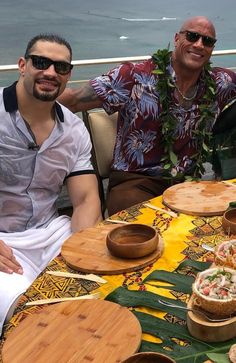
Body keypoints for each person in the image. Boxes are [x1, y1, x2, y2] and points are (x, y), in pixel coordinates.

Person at [58, 16, 236, 216]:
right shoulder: (134, 77)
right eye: (193, 36)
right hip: (134, 182)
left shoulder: (220, 83)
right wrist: (25, 101)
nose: (199, 44)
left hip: (187, 185)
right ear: (177, 38)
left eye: (207, 41)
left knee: (221, 222)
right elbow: (74, 100)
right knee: (141, 230)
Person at [0, 33, 102, 335]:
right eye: (41, 62)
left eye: (61, 67)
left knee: (98, 290)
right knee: (30, 316)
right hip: (4, 239)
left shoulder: (73, 131)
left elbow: (85, 200)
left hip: (52, 230)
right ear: (22, 65)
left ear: (68, 75)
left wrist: (82, 250)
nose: (50, 73)